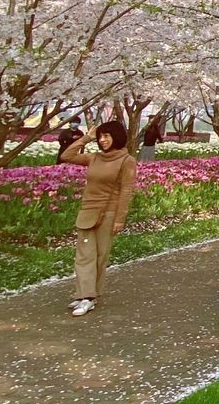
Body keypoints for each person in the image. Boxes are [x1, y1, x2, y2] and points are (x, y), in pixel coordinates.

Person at [60, 121, 138, 317]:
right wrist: (86, 137)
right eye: (100, 136)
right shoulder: (94, 158)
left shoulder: (126, 160)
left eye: (107, 136)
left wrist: (120, 218)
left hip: (109, 213)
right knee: (84, 255)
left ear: (117, 137)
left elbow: (126, 190)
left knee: (100, 256)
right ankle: (84, 296)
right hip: (88, 210)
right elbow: (66, 156)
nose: (102, 140)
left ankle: (90, 297)